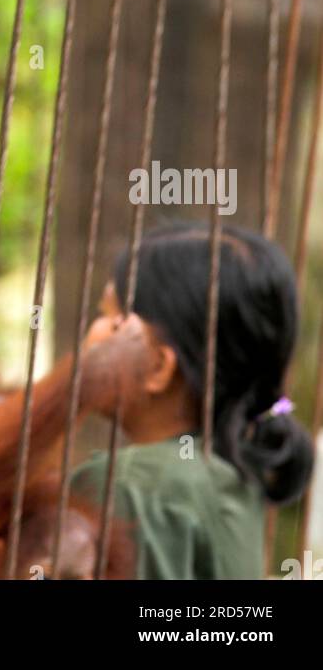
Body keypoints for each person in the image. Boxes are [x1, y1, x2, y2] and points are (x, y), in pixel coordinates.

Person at [71, 221, 315, 579]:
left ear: (159, 367)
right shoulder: (229, 474)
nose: (94, 331)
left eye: (112, 318)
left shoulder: (128, 485)